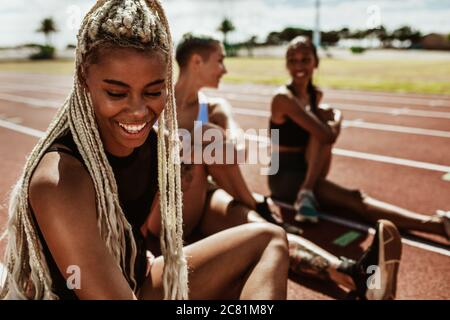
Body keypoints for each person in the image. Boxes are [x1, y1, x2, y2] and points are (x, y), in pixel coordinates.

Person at [0, 0, 289, 300]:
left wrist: (185, 173)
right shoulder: (59, 181)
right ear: (85, 80)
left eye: (153, 92)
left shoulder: (156, 147)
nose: (138, 111)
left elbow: (149, 229)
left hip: (136, 281)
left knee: (269, 239)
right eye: (116, 93)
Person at [143, 33, 403, 300]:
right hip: (160, 208)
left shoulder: (215, 108)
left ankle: (356, 275)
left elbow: (238, 147)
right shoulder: (157, 100)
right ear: (197, 61)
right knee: (203, 143)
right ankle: (255, 204)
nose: (225, 69)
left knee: (267, 232)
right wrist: (191, 147)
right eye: (220, 60)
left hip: (207, 195)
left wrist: (206, 144)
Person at [268, 35, 450, 241]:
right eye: (292, 60)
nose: (298, 65)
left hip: (308, 168)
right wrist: (338, 117)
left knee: (323, 117)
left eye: (305, 59)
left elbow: (324, 136)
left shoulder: (315, 95)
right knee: (355, 199)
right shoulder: (283, 98)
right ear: (286, 65)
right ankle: (438, 226)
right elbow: (326, 136)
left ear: (315, 62)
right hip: (283, 175)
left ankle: (308, 190)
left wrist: (330, 117)